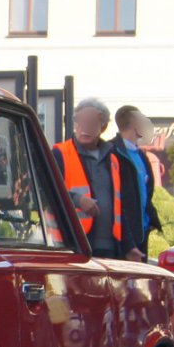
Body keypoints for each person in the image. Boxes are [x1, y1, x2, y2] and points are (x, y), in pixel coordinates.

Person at [52, 98, 141, 261]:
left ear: (103, 126)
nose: (84, 128)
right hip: (71, 246)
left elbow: (119, 208)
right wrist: (78, 200)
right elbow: (46, 191)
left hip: (109, 249)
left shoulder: (112, 158)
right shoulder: (60, 154)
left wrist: (129, 246)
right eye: (80, 121)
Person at [113, 104, 162, 257]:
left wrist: (152, 219)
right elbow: (116, 201)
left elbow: (147, 192)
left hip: (142, 234)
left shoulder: (141, 155)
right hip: (123, 242)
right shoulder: (112, 152)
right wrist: (127, 244)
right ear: (134, 124)